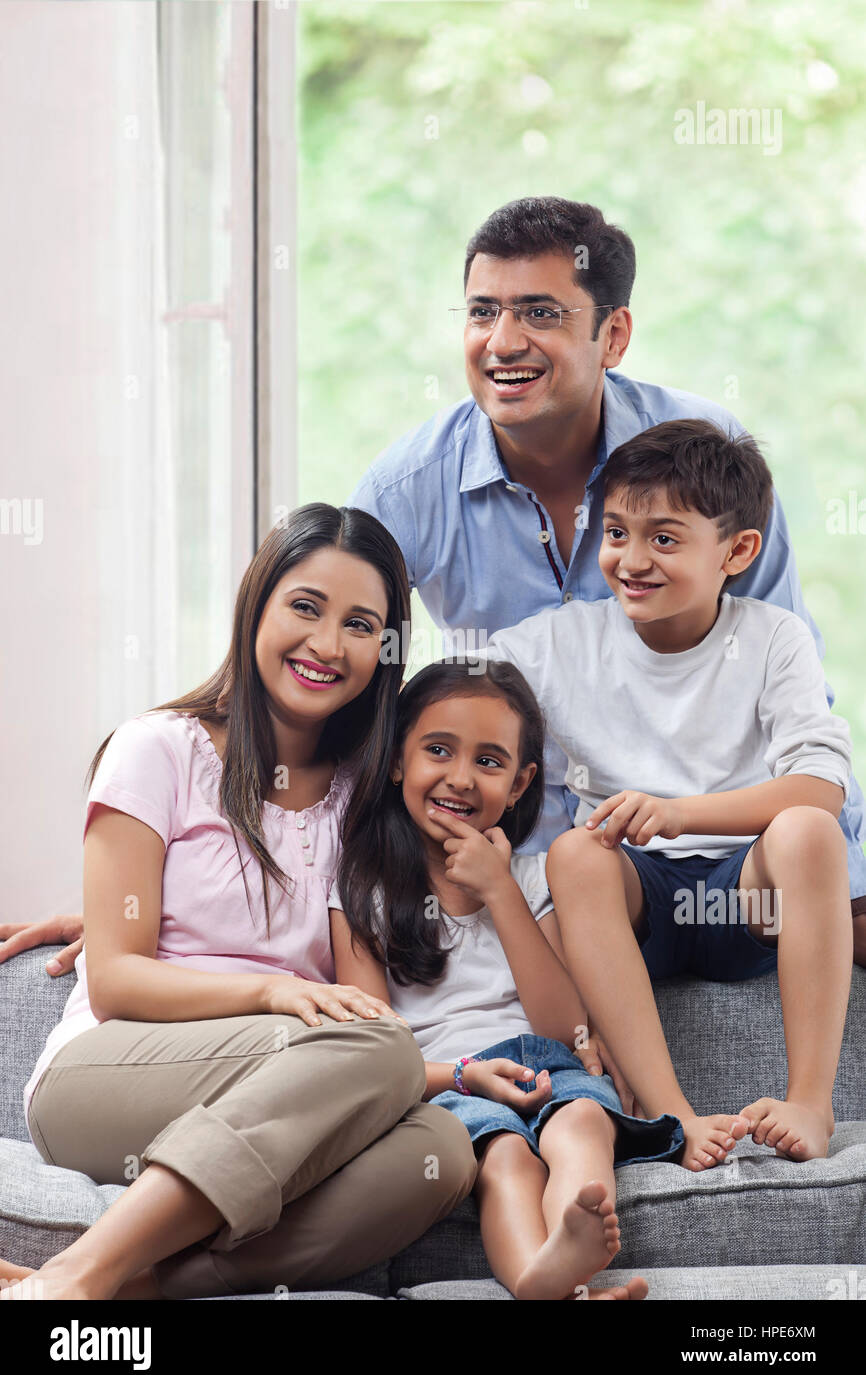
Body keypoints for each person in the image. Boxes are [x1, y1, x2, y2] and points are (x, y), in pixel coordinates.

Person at [5, 193, 864, 961]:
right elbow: (322, 674)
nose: (503, 342)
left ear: (613, 334)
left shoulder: (704, 459)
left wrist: (849, 887)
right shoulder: (406, 490)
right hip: (529, 851)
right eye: (483, 311)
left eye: (539, 313)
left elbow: (792, 691)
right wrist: (146, 896)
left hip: (720, 844)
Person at [0, 505, 475, 1301]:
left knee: (443, 1148)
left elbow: (366, 1014)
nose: (327, 645)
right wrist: (273, 990)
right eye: (305, 607)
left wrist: (456, 1071)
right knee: (386, 1053)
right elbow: (117, 983)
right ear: (257, 605)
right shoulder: (158, 748)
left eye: (361, 624)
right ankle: (75, 1279)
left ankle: (138, 1286)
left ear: (385, 651)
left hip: (271, 1083)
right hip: (108, 1074)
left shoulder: (361, 801)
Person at [477, 419, 853, 1163]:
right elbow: (445, 696)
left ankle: (811, 1103)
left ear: (737, 552)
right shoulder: (557, 645)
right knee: (577, 854)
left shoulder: (774, 638)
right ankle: (670, 1113)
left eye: (666, 539)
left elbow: (821, 786)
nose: (632, 560)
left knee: (807, 829)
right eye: (617, 532)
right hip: (633, 904)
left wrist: (679, 814)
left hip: (740, 899)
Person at [327, 656, 749, 1301]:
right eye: (438, 750)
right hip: (448, 1078)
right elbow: (376, 1048)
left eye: (490, 762)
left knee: (583, 1122)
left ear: (521, 783)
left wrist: (501, 894)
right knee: (505, 1157)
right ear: (394, 760)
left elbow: (562, 1024)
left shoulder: (530, 880)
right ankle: (540, 1280)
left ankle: (573, 1252)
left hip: (549, 1063)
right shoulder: (362, 891)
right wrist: (463, 1075)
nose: (461, 779)